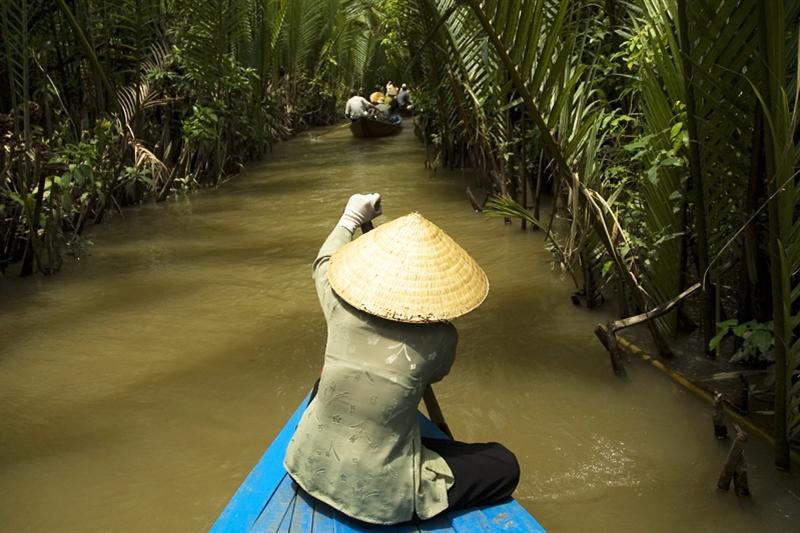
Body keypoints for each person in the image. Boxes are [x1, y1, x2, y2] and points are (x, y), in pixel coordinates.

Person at [284, 194, 520, 525]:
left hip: (304, 463)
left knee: (324, 384)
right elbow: (435, 376)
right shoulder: (441, 338)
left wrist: (352, 216)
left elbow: (323, 261)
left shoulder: (339, 305)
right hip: (377, 497)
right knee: (504, 463)